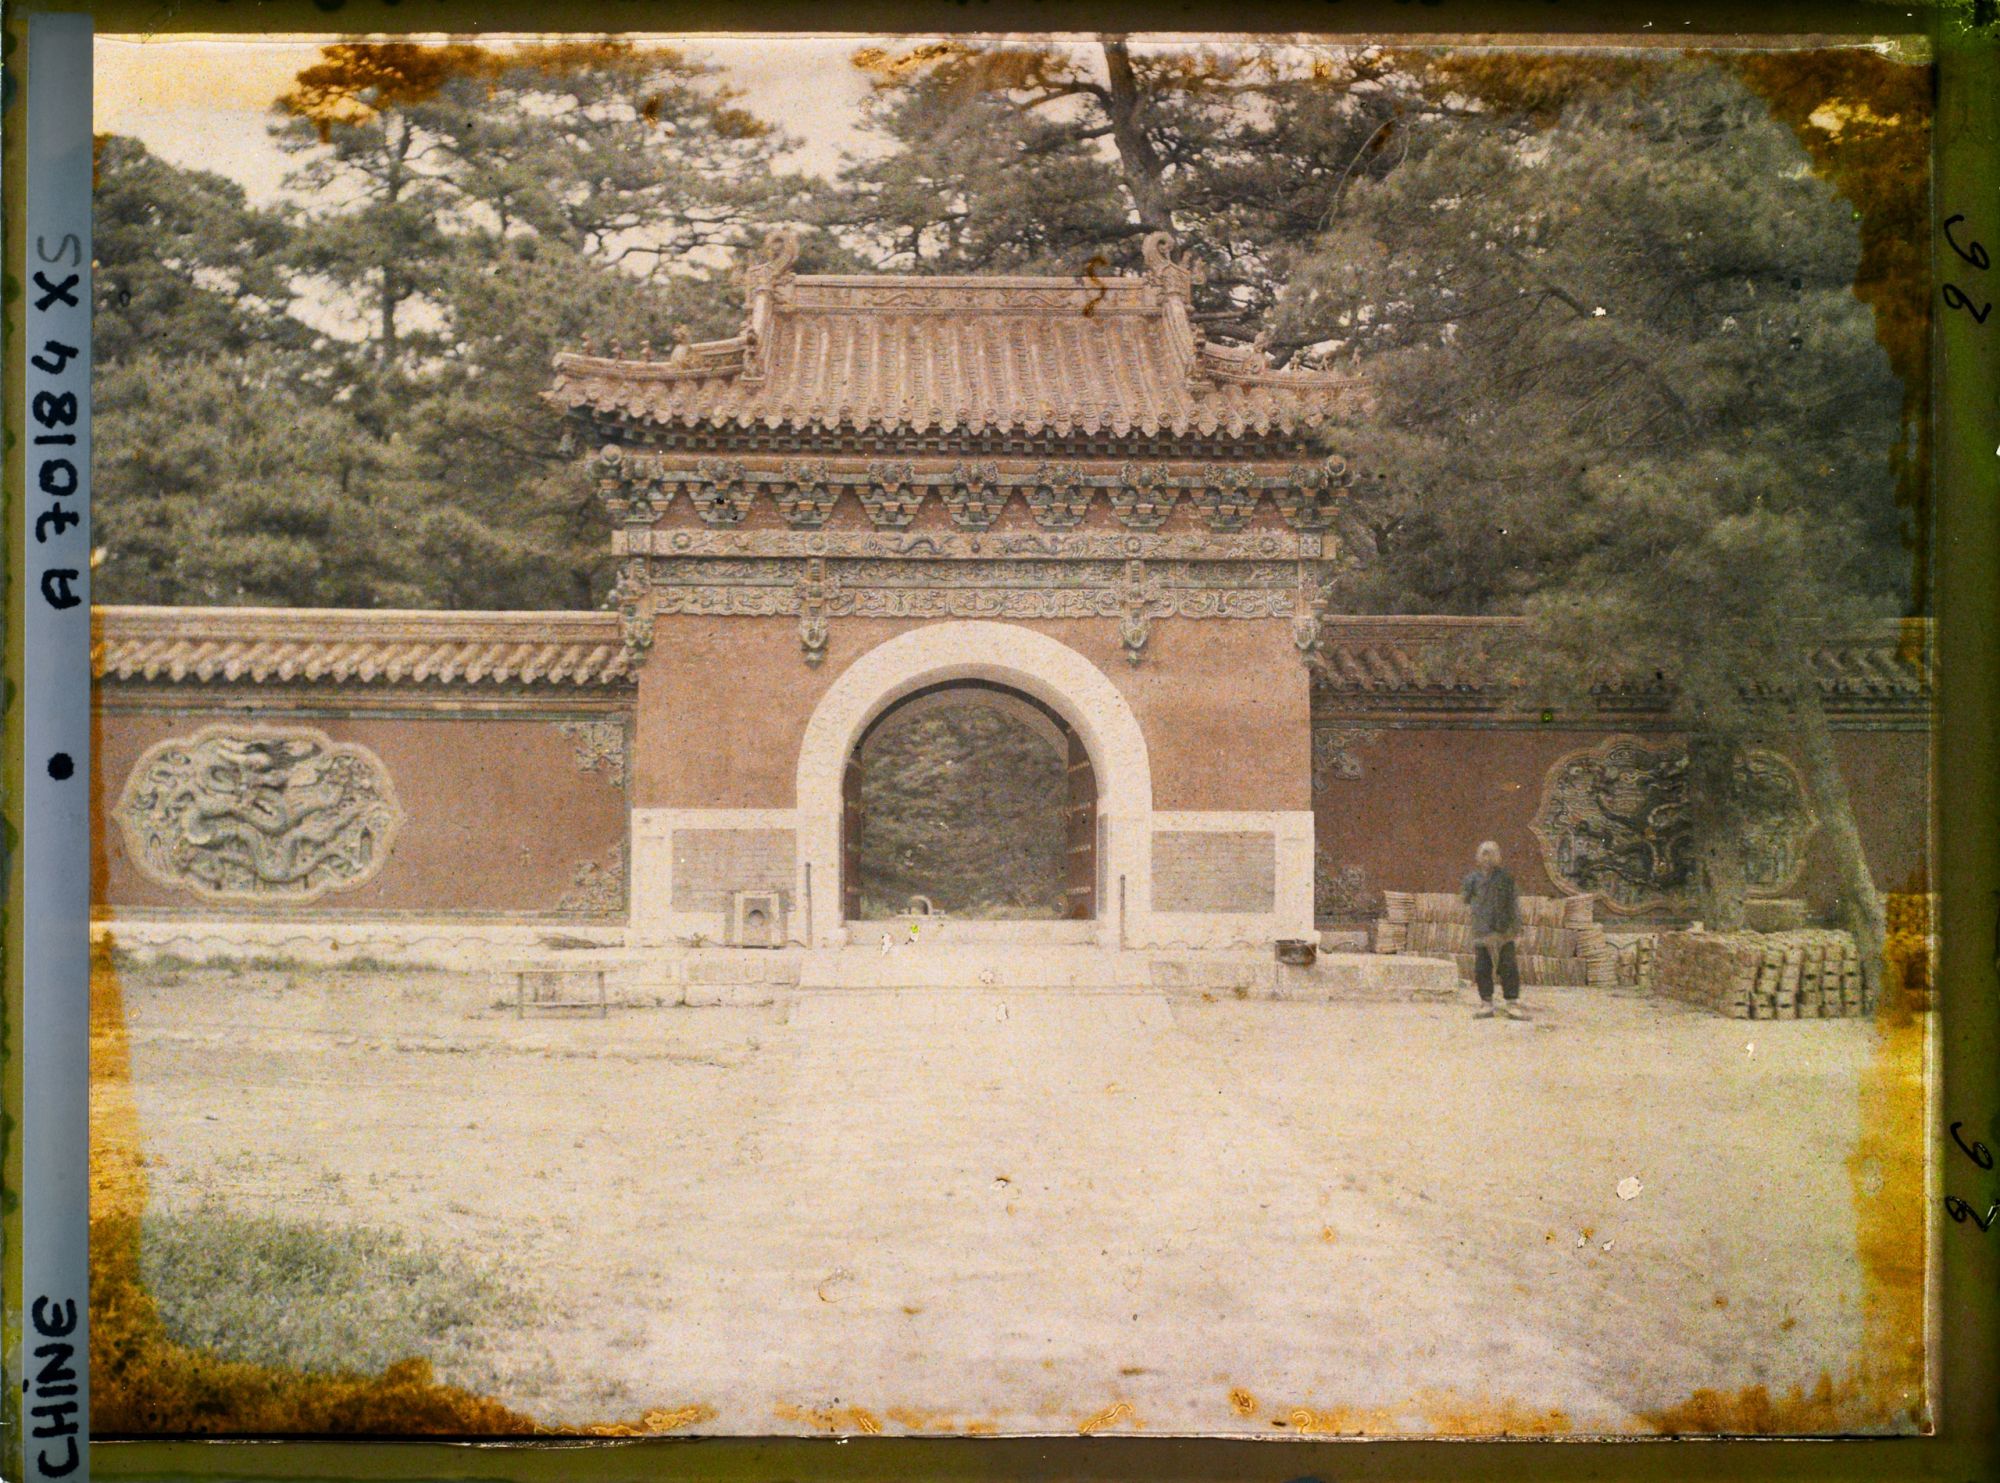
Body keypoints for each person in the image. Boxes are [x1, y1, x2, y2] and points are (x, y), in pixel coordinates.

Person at [1462, 840, 1524, 1019]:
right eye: (1484, 853)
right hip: (1482, 930)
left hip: (1504, 931)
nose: (1488, 858)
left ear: (1498, 857)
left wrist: (1516, 929)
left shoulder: (1506, 878)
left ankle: (1512, 1004)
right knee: (1482, 967)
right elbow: (1465, 901)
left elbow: (1514, 904)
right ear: (1478, 857)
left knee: (1508, 966)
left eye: (1492, 853)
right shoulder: (1471, 880)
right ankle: (1486, 1004)